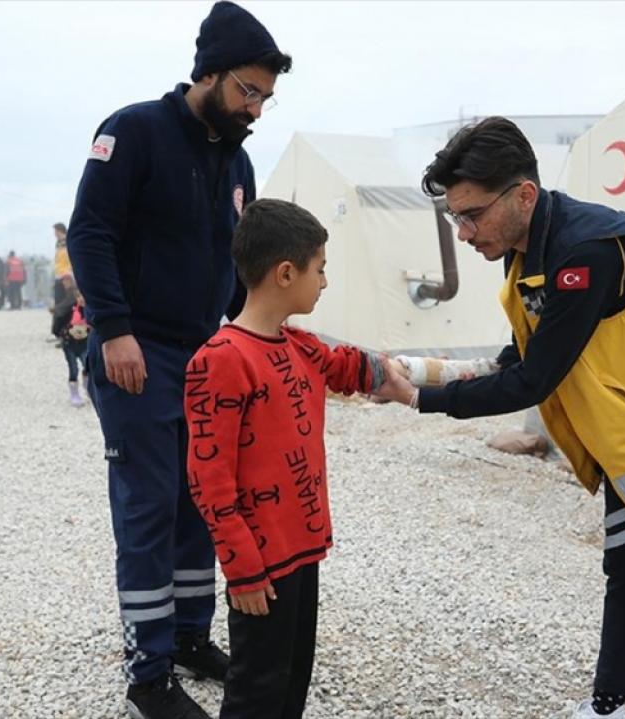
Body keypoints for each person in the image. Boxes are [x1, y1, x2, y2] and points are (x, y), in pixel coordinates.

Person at [373, 117, 625, 719]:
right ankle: (607, 707)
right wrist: (418, 370)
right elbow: (516, 357)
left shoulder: (587, 249)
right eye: (456, 216)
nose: (463, 232)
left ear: (524, 195)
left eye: (472, 214)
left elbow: (534, 379)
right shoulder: (527, 248)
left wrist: (417, 400)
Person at [66, 3, 291, 716]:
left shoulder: (240, 160)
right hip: (139, 352)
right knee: (148, 508)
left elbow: (239, 265)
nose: (254, 109)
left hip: (208, 357)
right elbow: (90, 233)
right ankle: (148, 670)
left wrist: (250, 338)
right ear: (209, 74)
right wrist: (112, 328)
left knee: (204, 500)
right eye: (246, 92)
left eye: (265, 98)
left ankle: (192, 636)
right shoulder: (132, 131)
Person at [186, 199, 388, 719]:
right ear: (284, 273)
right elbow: (210, 482)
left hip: (304, 548)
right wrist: (243, 571)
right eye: (319, 269)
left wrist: (420, 379)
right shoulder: (221, 360)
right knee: (257, 687)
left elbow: (348, 369)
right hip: (261, 564)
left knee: (293, 676)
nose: (325, 281)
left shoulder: (299, 345)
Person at [51, 275, 89, 407]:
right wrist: (61, 333)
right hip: (69, 343)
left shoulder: (89, 310)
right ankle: (74, 393)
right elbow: (58, 321)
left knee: (88, 365)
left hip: (85, 342)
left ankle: (87, 388)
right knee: (73, 368)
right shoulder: (67, 308)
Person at [53, 223, 72, 307]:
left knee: (66, 296)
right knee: (59, 297)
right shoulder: (58, 243)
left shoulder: (68, 241)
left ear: (59, 231)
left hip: (66, 273)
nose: (54, 233)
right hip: (59, 272)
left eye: (55, 231)